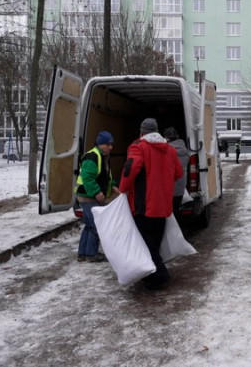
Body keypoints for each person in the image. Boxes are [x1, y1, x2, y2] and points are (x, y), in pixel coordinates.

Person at [119, 118, 183, 290]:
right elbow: (178, 172)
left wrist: (123, 189)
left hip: (144, 206)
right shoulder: (169, 150)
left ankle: (159, 275)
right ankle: (150, 276)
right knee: (154, 242)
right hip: (163, 206)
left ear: (142, 132)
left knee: (146, 244)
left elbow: (130, 169)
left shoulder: (138, 147)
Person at [76, 130, 119, 262]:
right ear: (101, 144)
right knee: (95, 225)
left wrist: (112, 185)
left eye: (111, 144)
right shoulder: (92, 156)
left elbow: (105, 176)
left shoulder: (102, 156)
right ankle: (91, 254)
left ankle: (83, 254)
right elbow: (88, 177)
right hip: (87, 196)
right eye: (108, 144)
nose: (111, 147)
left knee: (89, 224)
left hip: (87, 195)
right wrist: (97, 192)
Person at [164, 126, 189, 218]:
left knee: (170, 213)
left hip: (169, 187)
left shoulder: (166, 150)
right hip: (181, 186)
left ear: (167, 137)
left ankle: (173, 231)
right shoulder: (184, 149)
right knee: (176, 210)